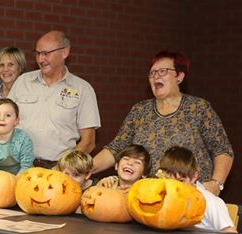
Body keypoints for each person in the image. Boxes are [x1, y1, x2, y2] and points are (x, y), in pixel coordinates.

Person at [92, 51, 233, 196]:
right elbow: (116, 148)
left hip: (189, 196)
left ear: (179, 76)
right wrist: (86, 168)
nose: (156, 76)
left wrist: (217, 183)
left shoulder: (199, 108)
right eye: (152, 73)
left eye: (163, 71)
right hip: (147, 196)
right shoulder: (140, 110)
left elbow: (222, 150)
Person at [8, 31, 100, 168]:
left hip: (59, 169)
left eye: (46, 53)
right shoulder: (22, 82)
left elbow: (88, 141)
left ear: (64, 52)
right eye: (37, 53)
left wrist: (63, 168)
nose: (40, 59)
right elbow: (4, 123)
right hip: (19, 165)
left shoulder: (83, 89)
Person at [158, 146, 236, 233]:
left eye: (181, 181)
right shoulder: (163, 197)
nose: (175, 187)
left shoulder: (210, 203)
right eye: (169, 181)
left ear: (194, 177)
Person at [0, 98, 34, 175]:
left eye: (8, 115)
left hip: (19, 180)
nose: (2, 119)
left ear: (16, 121)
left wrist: (14, 181)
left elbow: (26, 167)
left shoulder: (23, 139)